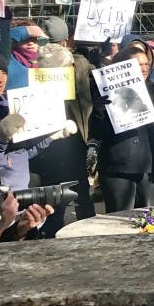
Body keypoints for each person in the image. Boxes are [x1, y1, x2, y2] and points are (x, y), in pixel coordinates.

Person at [0, 47, 74, 193]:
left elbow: (21, 154)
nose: (0, 80)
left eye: (3, 73)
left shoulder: (8, 103)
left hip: (19, 191)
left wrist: (53, 136)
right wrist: (2, 137)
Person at [28, 44, 95, 237]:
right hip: (48, 152)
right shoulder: (34, 85)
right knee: (54, 200)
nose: (71, 68)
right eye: (66, 66)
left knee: (81, 193)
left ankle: (87, 231)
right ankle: (52, 232)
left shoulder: (81, 74)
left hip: (75, 147)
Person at [90, 46, 154, 212]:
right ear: (122, 67)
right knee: (119, 223)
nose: (144, 68)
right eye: (138, 64)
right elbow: (95, 133)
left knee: (152, 222)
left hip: (150, 170)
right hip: (118, 169)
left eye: (146, 64)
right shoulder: (104, 93)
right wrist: (99, 111)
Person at [7, 23, 47, 89]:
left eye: (34, 39)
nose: (30, 43)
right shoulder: (9, 59)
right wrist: (25, 30)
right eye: (24, 39)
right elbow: (0, 40)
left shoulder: (47, 58)